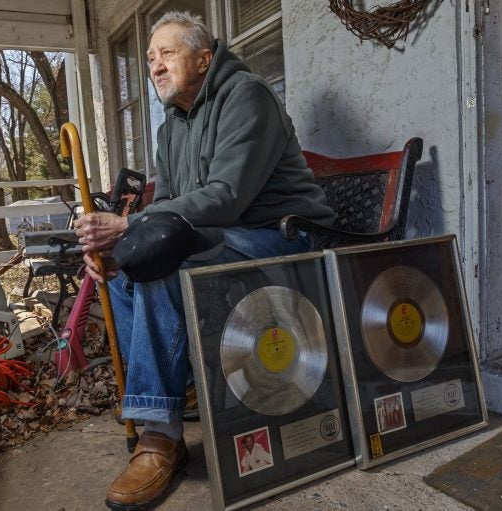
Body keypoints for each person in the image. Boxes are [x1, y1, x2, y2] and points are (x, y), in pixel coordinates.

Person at [73, 10, 337, 511]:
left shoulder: (247, 96)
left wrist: (129, 228)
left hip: (284, 238)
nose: (154, 66)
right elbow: (164, 208)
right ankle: (181, 391)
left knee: (159, 268)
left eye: (166, 53)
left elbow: (227, 197)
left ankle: (158, 436)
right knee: (122, 274)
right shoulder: (172, 125)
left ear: (203, 58)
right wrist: (118, 249)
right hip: (227, 237)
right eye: (149, 58)